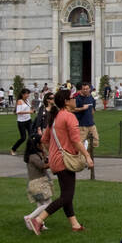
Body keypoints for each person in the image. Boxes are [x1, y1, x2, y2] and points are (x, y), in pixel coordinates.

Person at [28, 89, 94, 233]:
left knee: (66, 194)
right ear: (66, 101)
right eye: (72, 97)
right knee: (67, 195)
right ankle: (38, 220)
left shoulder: (55, 117)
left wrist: (52, 152)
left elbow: (45, 140)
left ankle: (75, 225)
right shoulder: (69, 117)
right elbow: (76, 141)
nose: (75, 99)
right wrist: (87, 156)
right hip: (65, 160)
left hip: (56, 160)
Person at [24, 134, 52, 231]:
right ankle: (29, 218)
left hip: (37, 183)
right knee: (48, 204)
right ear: (37, 145)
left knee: (41, 205)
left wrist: (45, 156)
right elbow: (42, 166)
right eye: (42, 143)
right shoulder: (33, 156)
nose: (43, 145)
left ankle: (40, 223)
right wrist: (53, 162)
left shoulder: (36, 155)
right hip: (38, 183)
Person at [73, 81, 99, 161]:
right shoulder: (77, 99)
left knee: (95, 142)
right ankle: (81, 159)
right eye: (84, 89)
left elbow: (93, 109)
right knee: (80, 143)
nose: (85, 90)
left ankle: (87, 155)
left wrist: (91, 115)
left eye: (87, 89)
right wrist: (82, 108)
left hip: (91, 124)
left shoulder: (91, 98)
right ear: (81, 90)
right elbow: (72, 109)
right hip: (81, 124)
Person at [10, 88, 33, 154]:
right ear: (23, 94)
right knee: (23, 138)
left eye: (28, 93)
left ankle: (30, 150)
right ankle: (13, 149)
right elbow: (18, 112)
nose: (28, 95)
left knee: (31, 136)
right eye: (26, 94)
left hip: (28, 120)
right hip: (21, 122)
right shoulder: (20, 101)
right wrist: (29, 112)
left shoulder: (27, 101)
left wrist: (32, 109)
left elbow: (29, 108)